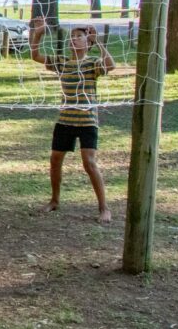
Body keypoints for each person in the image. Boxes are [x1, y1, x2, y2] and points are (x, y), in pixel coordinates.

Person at [29, 17, 116, 223]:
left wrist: (98, 42)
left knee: (89, 162)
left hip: (87, 120)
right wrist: (38, 34)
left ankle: (104, 208)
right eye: (72, 37)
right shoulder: (62, 62)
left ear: (87, 42)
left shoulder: (92, 64)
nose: (74, 40)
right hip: (65, 120)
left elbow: (111, 65)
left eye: (79, 37)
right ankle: (55, 200)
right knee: (55, 160)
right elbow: (35, 55)